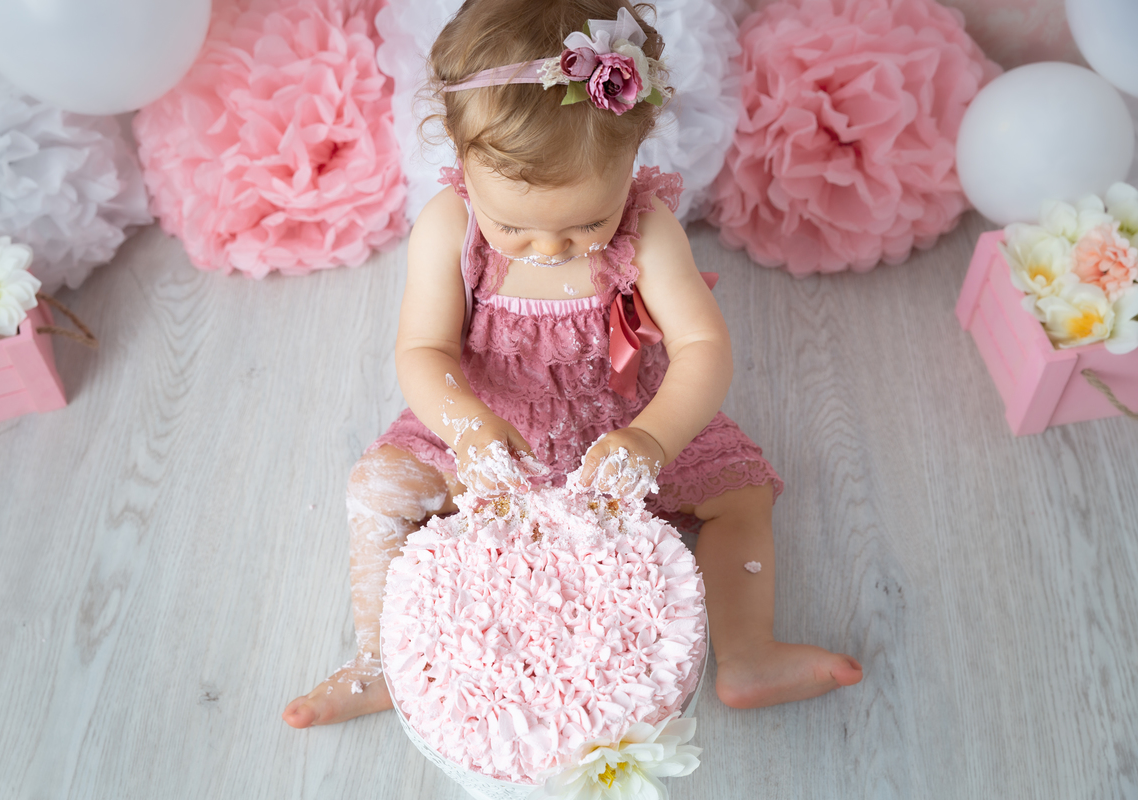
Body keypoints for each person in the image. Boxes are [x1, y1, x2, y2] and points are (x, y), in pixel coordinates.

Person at [283, 0, 862, 729]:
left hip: (621, 423)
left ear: (634, 156)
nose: (552, 247)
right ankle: (377, 662)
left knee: (741, 495)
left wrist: (651, 439)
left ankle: (748, 653)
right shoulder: (448, 227)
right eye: (514, 226)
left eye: (588, 222)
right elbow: (424, 350)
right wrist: (468, 431)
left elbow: (703, 348)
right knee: (376, 488)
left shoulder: (648, 229)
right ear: (461, 159)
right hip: (490, 427)